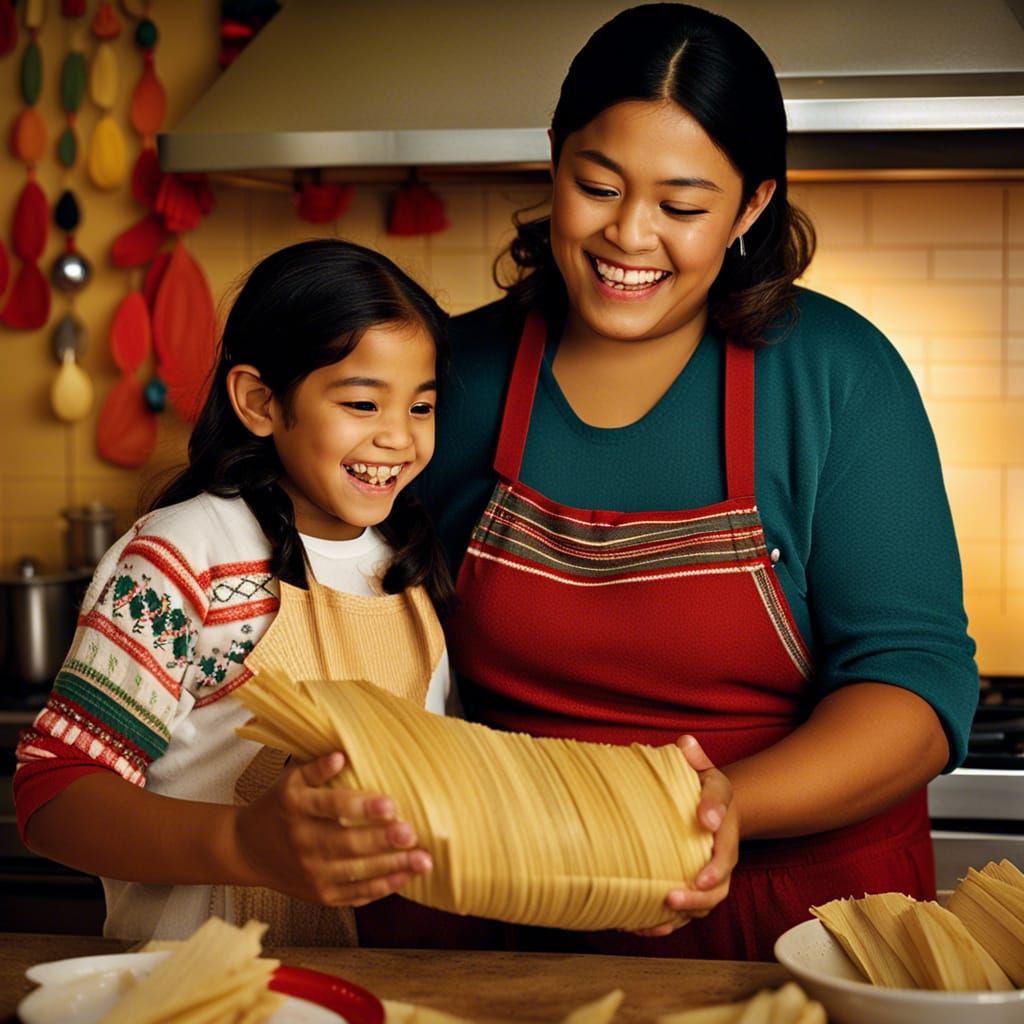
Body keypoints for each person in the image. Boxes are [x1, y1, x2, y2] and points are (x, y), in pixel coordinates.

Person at [414, 3, 979, 961]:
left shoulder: (837, 375)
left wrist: (721, 806)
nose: (629, 235)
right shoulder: (450, 377)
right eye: (597, 186)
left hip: (804, 921)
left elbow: (914, 689)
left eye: (681, 208)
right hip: (514, 916)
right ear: (553, 159)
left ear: (751, 207)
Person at [13, 239, 455, 942]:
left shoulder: (405, 568)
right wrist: (247, 844)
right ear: (259, 401)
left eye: (422, 406)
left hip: (368, 985)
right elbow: (53, 797)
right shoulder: (184, 556)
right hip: (197, 984)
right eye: (363, 403)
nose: (399, 438)